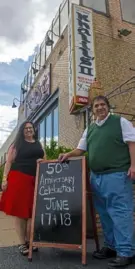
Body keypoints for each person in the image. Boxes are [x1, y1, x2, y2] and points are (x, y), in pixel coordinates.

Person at [58, 95, 135, 268]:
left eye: (102, 105)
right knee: (105, 215)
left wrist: (134, 166)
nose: (100, 108)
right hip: (96, 177)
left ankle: (126, 252)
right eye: (96, 106)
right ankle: (111, 247)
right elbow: (80, 149)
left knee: (120, 213)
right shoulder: (90, 129)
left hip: (117, 175)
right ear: (92, 110)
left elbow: (132, 143)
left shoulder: (120, 122)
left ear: (108, 107)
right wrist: (68, 155)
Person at [0, 121, 45, 255]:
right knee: (20, 213)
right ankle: (22, 243)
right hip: (19, 179)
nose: (29, 130)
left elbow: (44, 158)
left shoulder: (39, 143)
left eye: (30, 128)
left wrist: (41, 161)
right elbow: (8, 163)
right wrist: (4, 179)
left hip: (35, 179)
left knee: (32, 212)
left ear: (34, 130)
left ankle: (29, 240)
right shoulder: (17, 145)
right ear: (22, 131)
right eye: (26, 128)